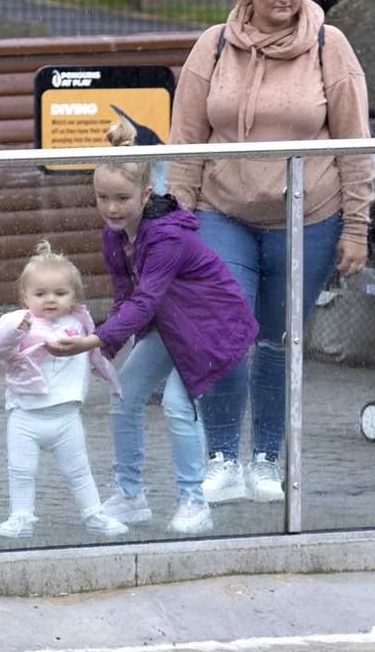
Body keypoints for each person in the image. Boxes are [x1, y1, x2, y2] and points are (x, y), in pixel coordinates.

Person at [168, 0, 374, 505]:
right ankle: (221, 456)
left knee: (279, 339)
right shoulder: (211, 48)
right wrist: (176, 224)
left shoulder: (330, 48)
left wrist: (356, 227)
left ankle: (266, 458)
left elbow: (356, 145)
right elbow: (185, 143)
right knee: (228, 332)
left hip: (308, 215)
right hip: (222, 210)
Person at [48, 127, 258, 537]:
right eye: (102, 198)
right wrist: (103, 348)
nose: (111, 208)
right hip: (171, 323)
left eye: (122, 198)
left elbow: (144, 300)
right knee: (124, 393)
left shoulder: (166, 238)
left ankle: (194, 501)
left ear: (145, 196)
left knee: (178, 405)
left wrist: (95, 340)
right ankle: (130, 495)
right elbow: (126, 296)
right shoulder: (113, 235)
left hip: (213, 326)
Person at [0, 241, 128, 540]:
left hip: (67, 416)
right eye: (40, 294)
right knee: (21, 471)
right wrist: (17, 331)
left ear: (74, 296)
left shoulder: (79, 322)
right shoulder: (17, 321)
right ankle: (20, 516)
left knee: (79, 471)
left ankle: (94, 513)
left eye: (60, 293)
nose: (49, 300)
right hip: (25, 416)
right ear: (25, 295)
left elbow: (95, 351)